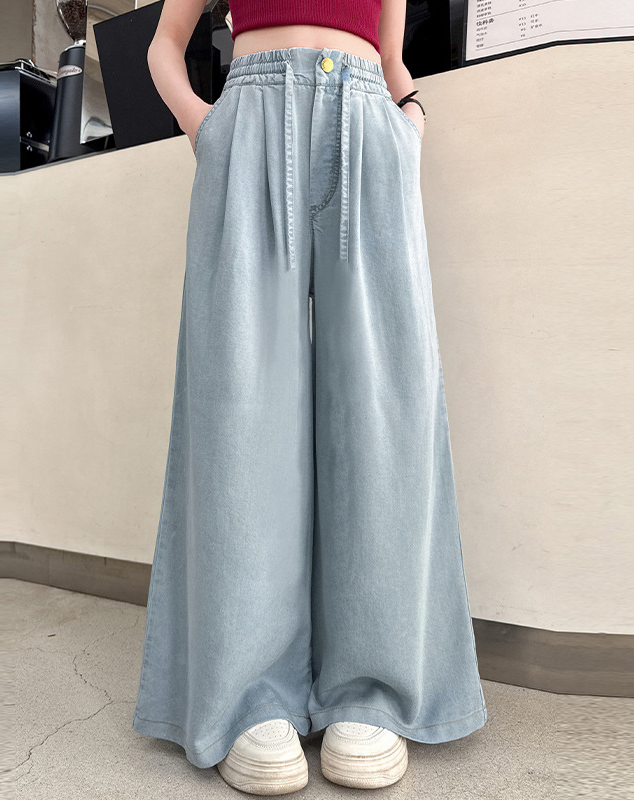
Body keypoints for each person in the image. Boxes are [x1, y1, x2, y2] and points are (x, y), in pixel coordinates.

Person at [132, 0, 487, 794]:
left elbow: (391, 57)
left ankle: (373, 688)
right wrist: (205, 126)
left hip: (370, 123)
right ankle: (248, 695)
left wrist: (410, 124)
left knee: (383, 405)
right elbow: (165, 44)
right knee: (242, 407)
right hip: (250, 119)